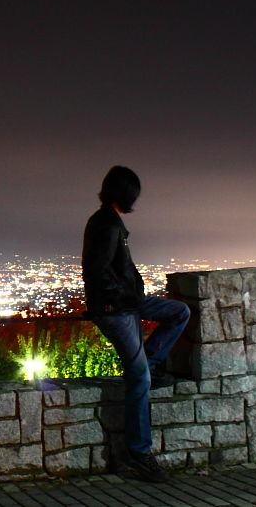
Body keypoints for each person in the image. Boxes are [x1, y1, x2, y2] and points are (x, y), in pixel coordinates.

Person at [82, 165, 190, 483]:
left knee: (179, 312)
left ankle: (151, 362)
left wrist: (132, 293)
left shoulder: (109, 220)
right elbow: (96, 271)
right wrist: (120, 298)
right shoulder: (106, 223)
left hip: (127, 303)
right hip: (116, 309)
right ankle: (139, 453)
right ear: (126, 194)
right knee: (138, 378)